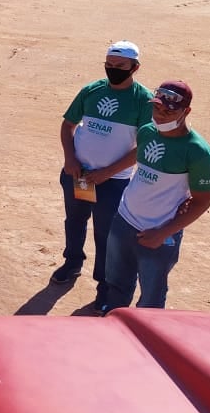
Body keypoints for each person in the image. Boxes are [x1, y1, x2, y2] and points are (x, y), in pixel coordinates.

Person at [51, 42, 152, 308]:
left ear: (135, 67)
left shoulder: (143, 100)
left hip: (113, 183)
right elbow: (68, 125)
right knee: (75, 220)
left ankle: (104, 285)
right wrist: (70, 158)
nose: (112, 69)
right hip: (80, 174)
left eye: (119, 66)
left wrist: (108, 172)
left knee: (106, 234)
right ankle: (72, 262)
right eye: (109, 64)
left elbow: (143, 145)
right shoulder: (91, 91)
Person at [101, 80, 210, 311]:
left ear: (187, 111)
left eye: (168, 111)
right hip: (123, 220)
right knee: (115, 284)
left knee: (151, 298)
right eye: (157, 108)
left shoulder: (199, 153)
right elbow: (139, 160)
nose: (160, 115)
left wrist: (163, 233)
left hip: (157, 233)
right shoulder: (146, 132)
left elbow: (203, 201)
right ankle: (111, 322)